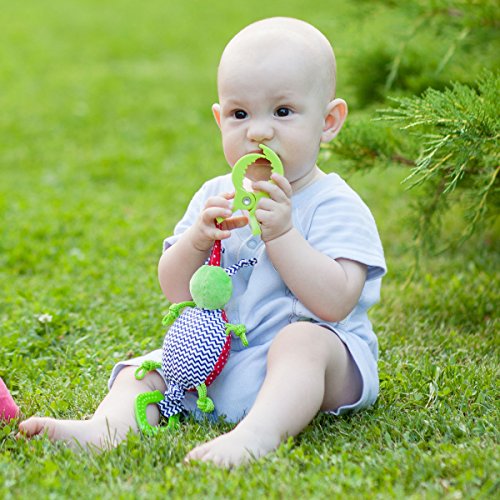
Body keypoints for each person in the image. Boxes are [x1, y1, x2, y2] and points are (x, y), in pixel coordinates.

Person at [18, 17, 386, 467]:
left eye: (283, 112)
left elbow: (336, 302)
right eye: (240, 114)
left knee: (302, 341)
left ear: (328, 122)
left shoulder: (334, 204)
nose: (259, 132)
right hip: (224, 359)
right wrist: (196, 240)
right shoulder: (216, 196)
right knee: (149, 368)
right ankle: (105, 429)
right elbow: (174, 289)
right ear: (220, 119)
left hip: (321, 369)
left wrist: (283, 235)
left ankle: (257, 435)